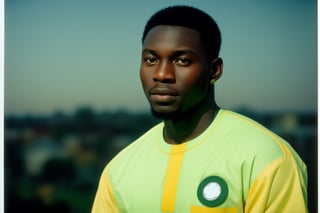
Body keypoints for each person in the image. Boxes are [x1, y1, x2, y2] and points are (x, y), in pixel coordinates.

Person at [92, 5, 308, 213]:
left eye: (182, 60)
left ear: (214, 70)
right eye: (151, 59)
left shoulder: (266, 157)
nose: (162, 74)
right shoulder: (118, 170)